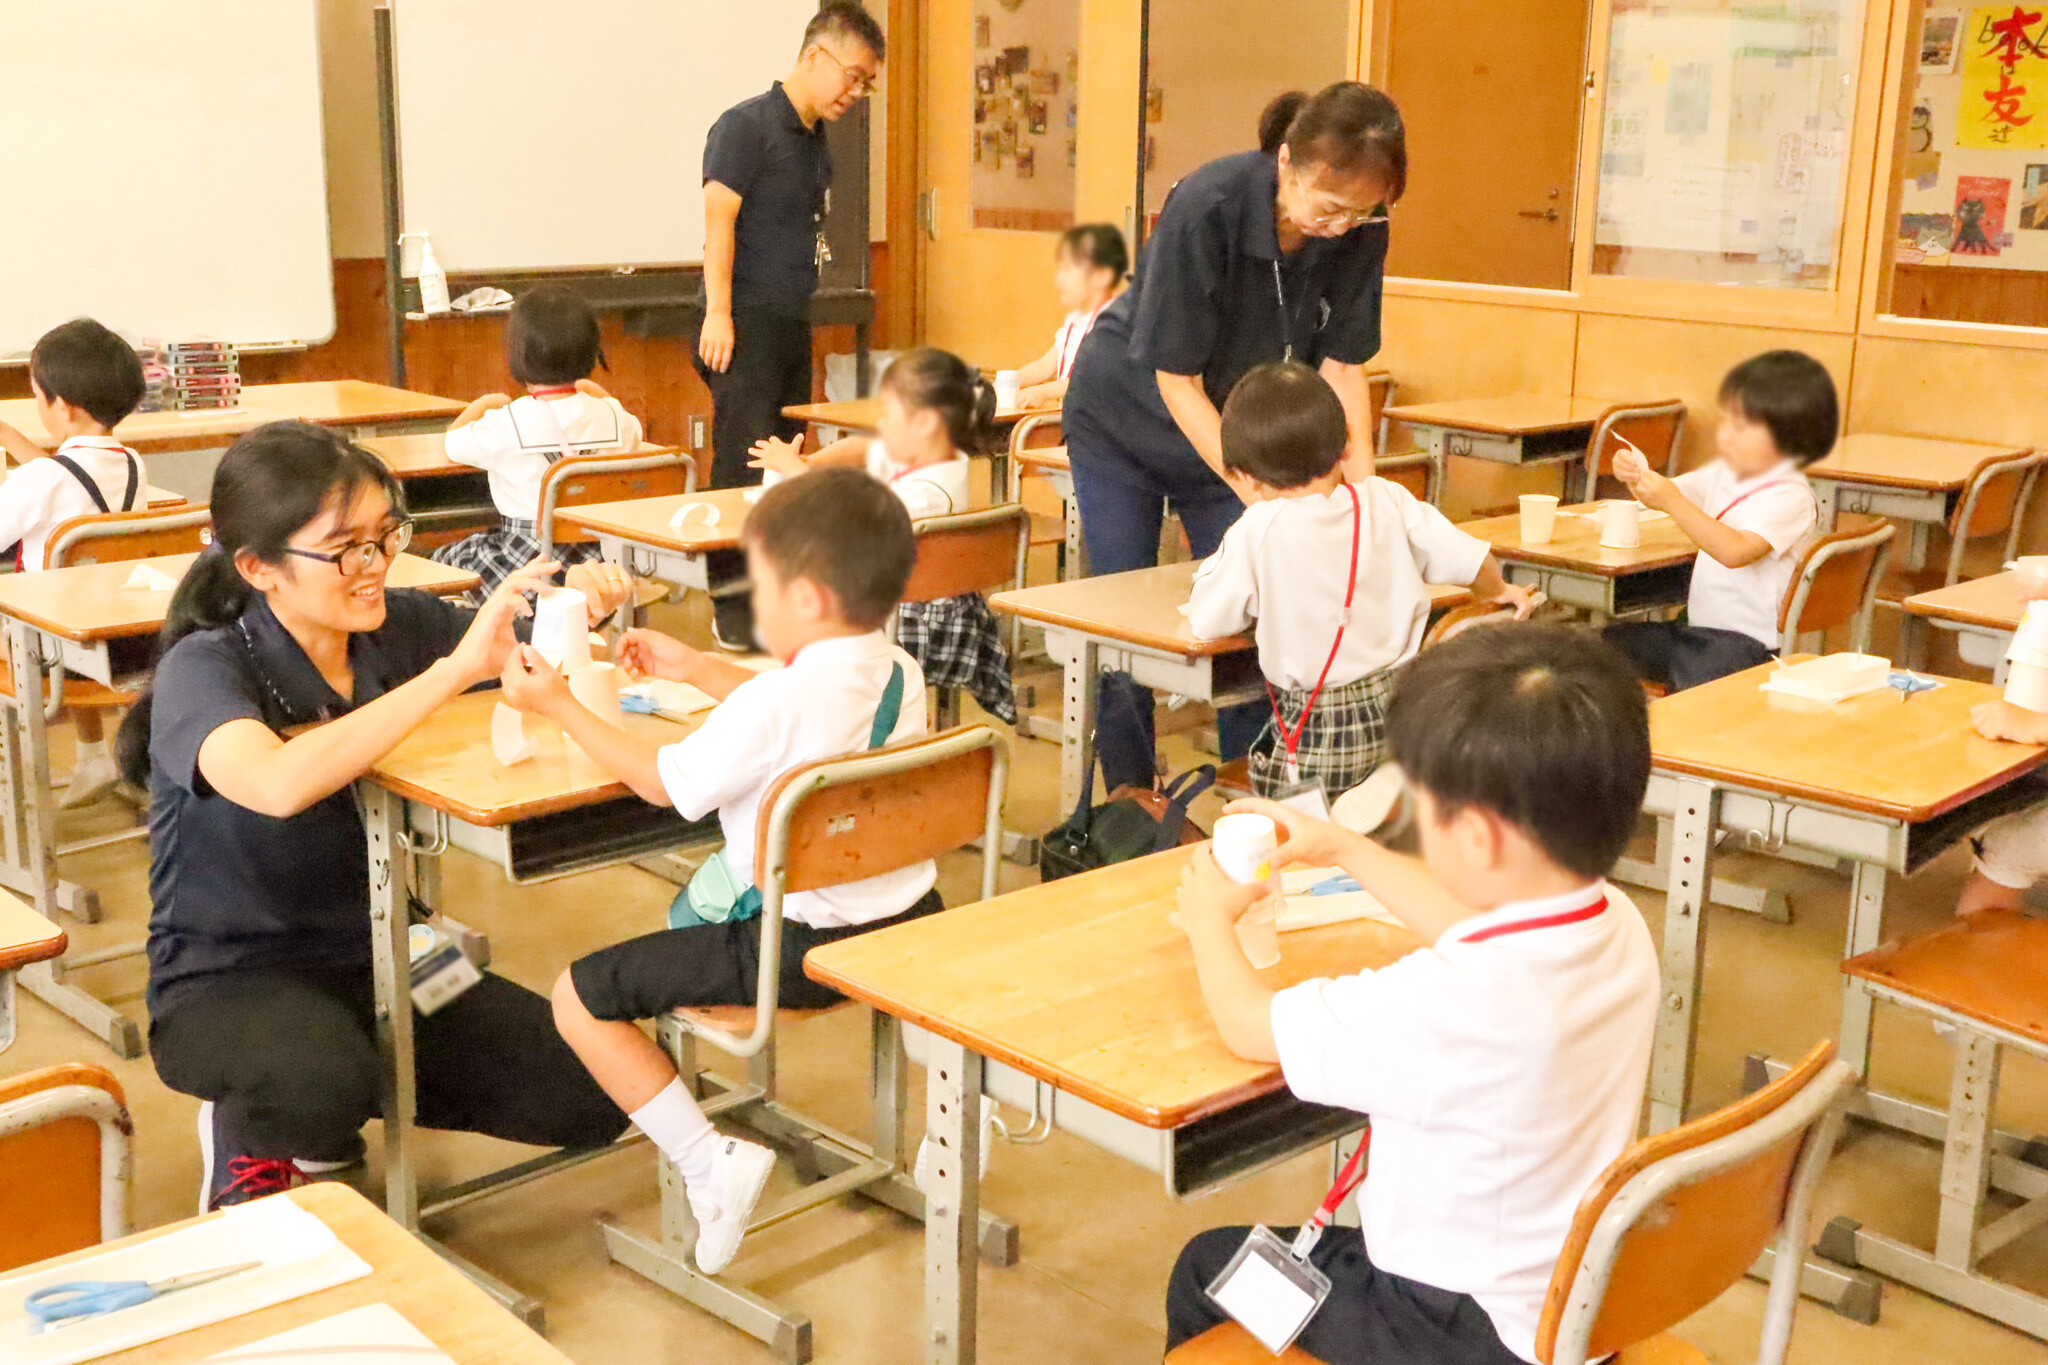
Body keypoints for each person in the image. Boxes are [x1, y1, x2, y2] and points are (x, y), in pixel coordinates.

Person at [114, 421, 636, 1212]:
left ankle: (330, 1091)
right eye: (346, 548)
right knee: (319, 1075)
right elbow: (278, 783)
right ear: (259, 567)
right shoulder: (209, 665)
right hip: (231, 973)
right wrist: (451, 673)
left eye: (386, 535)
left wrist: (579, 608)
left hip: (396, 944)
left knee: (596, 1092)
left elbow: (527, 657)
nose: (375, 565)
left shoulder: (403, 622)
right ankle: (259, 1123)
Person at [1164, 624, 1659, 1365]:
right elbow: (1470, 929)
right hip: (1569, 1308)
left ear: (1479, 838)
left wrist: (1209, 921)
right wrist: (1343, 847)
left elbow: (1248, 1025)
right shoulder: (1614, 924)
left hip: (1448, 1328)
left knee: (1206, 1268)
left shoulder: (1453, 1001)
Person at [494, 468, 945, 1275]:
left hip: (800, 953)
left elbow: (662, 784)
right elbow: (799, 704)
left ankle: (710, 1163)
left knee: (578, 995)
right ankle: (949, 1120)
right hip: (909, 924)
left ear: (804, 596)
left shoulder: (775, 705)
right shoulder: (899, 672)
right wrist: (699, 667)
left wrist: (557, 703)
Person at [1063, 82, 1404, 792]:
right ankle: (1130, 800)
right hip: (1127, 418)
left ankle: (1249, 792)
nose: (1342, 226)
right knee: (1124, 615)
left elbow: (1344, 368)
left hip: (1238, 427)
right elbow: (1176, 380)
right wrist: (1261, 492)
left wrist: (1365, 503)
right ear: (1287, 163)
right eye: (1330, 207)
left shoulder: (1362, 230)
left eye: (1363, 212)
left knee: (1254, 608)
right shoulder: (1208, 206)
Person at [1187, 363, 1535, 802]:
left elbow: (1208, 620)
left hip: (1321, 728)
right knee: (1389, 817)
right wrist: (1499, 591)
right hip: (1407, 710)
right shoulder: (1386, 499)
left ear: (1246, 476)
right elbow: (1475, 560)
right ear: (1347, 442)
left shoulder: (1258, 529)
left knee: (1304, 826)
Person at [695, 2, 884, 647]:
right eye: (853, 77)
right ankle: (732, 607)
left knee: (785, 462)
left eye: (867, 84)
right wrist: (718, 314)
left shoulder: (814, 140)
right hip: (742, 323)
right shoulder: (744, 127)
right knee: (743, 463)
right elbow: (718, 224)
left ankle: (778, 601)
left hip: (789, 322)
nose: (856, 93)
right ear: (814, 56)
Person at [750, 346, 1016, 723]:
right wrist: (809, 461)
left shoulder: (928, 492)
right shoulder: (941, 457)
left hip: (918, 621)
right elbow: (861, 448)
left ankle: (821, 718)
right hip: (919, 604)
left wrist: (796, 470)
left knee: (795, 600)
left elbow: (849, 507)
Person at [1603, 350, 1835, 692]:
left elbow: (1735, 551)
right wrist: (1633, 473)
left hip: (1746, 648)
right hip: (1697, 634)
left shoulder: (1792, 495)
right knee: (1600, 647)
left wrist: (1671, 500)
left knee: (1686, 689)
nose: (1727, 433)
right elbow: (1661, 493)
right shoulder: (1726, 473)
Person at [0, 317, 149, 806]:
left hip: (43, 648)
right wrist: (7, 433)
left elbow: (45, 482)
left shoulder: (42, 481)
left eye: (36, 395)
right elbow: (61, 476)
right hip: (110, 638)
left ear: (61, 406)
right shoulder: (132, 464)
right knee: (74, 591)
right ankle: (92, 756)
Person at [431, 284, 644, 599]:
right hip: (601, 571)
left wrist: (485, 403)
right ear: (591, 352)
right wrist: (596, 393)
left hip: (526, 568)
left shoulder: (508, 421)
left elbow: (451, 443)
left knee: (443, 560)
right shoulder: (615, 418)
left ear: (517, 354)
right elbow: (633, 430)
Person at [1011, 224, 1128, 411]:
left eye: (1068, 269)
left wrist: (1043, 392)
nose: (1059, 278)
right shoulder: (1074, 320)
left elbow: (1089, 380)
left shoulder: (1114, 323)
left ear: (1101, 276)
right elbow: (1044, 366)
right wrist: (1009, 381)